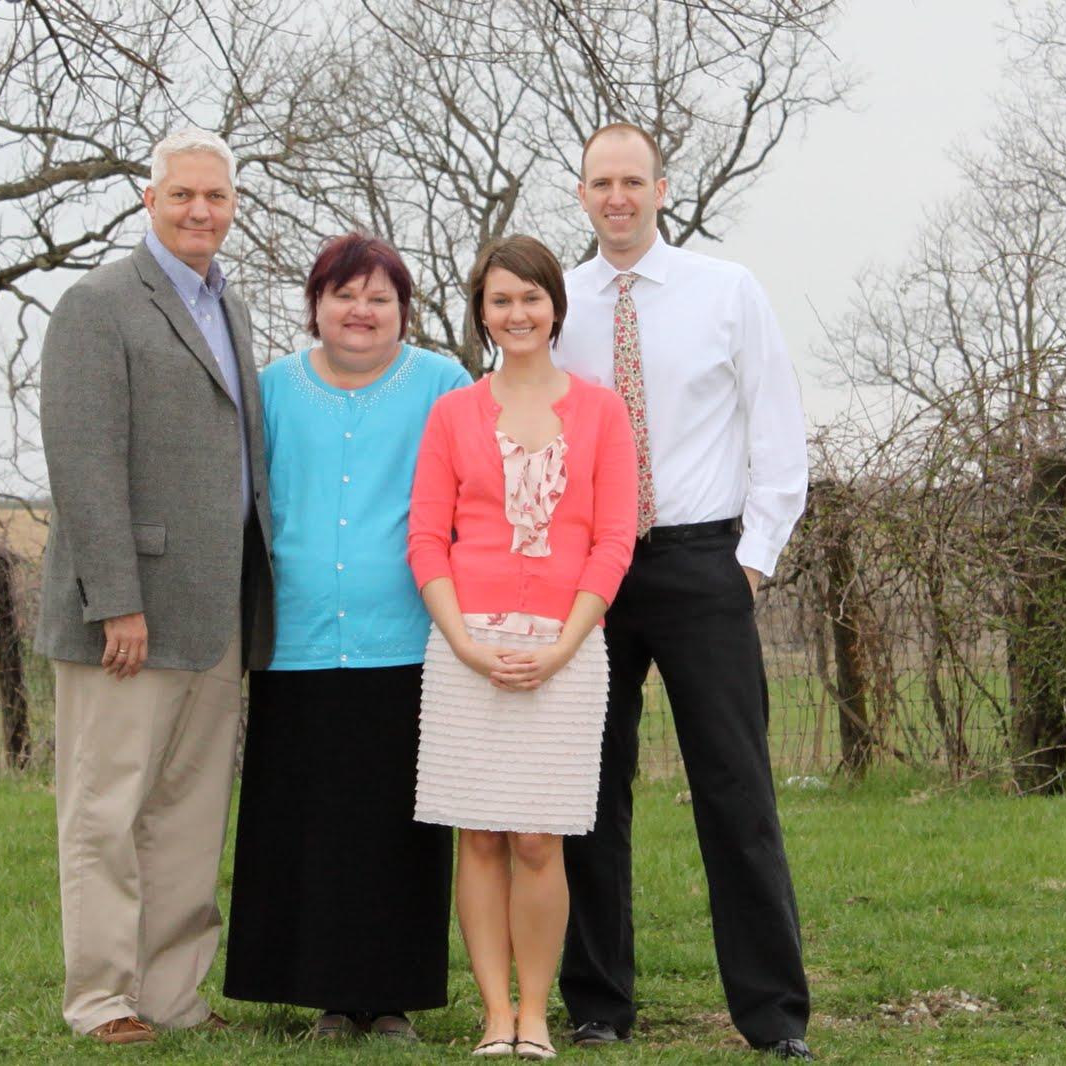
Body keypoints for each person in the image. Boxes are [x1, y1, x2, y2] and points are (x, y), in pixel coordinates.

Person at [553, 123, 813, 1060]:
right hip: (591, 569)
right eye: (599, 183)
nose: (616, 198)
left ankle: (774, 1017)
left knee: (735, 792)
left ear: (661, 188)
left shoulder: (726, 291)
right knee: (589, 791)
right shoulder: (559, 302)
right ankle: (596, 1006)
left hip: (704, 563)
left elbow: (779, 432)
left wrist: (749, 561)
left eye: (633, 181)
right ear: (580, 193)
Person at [35, 127, 274, 1046]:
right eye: (182, 197)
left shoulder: (234, 310)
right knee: (106, 810)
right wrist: (115, 601)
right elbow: (84, 465)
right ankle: (102, 999)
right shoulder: (98, 306)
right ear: (149, 201)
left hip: (216, 610)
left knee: (187, 814)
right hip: (126, 615)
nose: (200, 212)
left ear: (232, 206)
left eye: (215, 198)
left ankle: (172, 994)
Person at [223, 233, 470, 1041]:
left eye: (378, 297)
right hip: (295, 641)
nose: (359, 311)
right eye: (343, 295)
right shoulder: (271, 390)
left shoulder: (445, 384)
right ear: (316, 305)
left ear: (403, 309)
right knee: (310, 824)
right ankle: (327, 994)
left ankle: (392, 997)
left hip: (408, 639)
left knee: (401, 827)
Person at [408, 235, 638, 1061]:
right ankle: (492, 1015)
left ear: (555, 307)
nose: (518, 314)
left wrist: (565, 646)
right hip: (467, 649)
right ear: (482, 313)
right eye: (501, 301)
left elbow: (613, 542)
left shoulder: (604, 413)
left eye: (531, 298)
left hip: (566, 652)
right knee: (478, 835)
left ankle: (536, 1015)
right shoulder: (453, 413)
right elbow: (427, 540)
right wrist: (465, 643)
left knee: (539, 836)